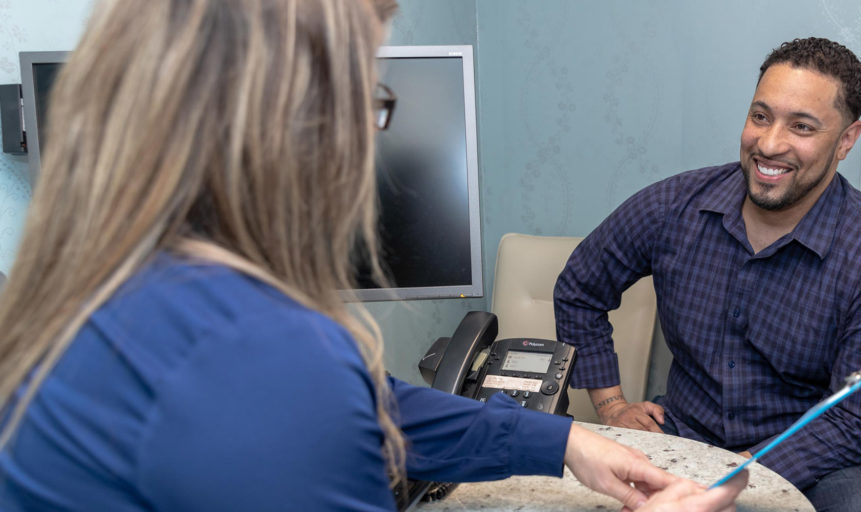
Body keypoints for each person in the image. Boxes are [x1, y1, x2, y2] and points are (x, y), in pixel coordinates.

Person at [0, 0, 749, 511]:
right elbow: (308, 402)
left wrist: (563, 441)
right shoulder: (256, 352)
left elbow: (375, 407)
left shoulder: (94, 286)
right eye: (369, 95)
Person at [554, 37, 861, 512]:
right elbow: (580, 287)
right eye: (760, 116)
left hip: (827, 457)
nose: (770, 143)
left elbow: (857, 421)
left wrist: (733, 477)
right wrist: (610, 404)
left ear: (846, 140)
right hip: (686, 432)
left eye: (802, 126)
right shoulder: (676, 205)